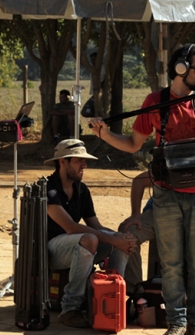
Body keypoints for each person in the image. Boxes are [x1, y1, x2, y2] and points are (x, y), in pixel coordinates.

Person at [90, 43, 195, 335]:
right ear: (180, 68)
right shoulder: (155, 100)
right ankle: (176, 323)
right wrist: (104, 133)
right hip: (165, 193)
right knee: (172, 263)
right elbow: (133, 144)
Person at [44, 139, 137, 328]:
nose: (84, 165)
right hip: (51, 249)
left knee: (119, 242)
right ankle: (70, 308)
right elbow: (70, 227)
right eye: (79, 160)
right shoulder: (49, 189)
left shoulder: (81, 189)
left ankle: (113, 301)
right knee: (91, 239)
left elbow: (95, 224)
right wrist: (111, 238)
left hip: (78, 244)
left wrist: (121, 238)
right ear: (63, 162)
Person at [117, 171, 158, 294]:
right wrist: (135, 215)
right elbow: (139, 180)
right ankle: (135, 292)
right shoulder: (170, 160)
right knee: (128, 233)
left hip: (194, 210)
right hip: (160, 209)